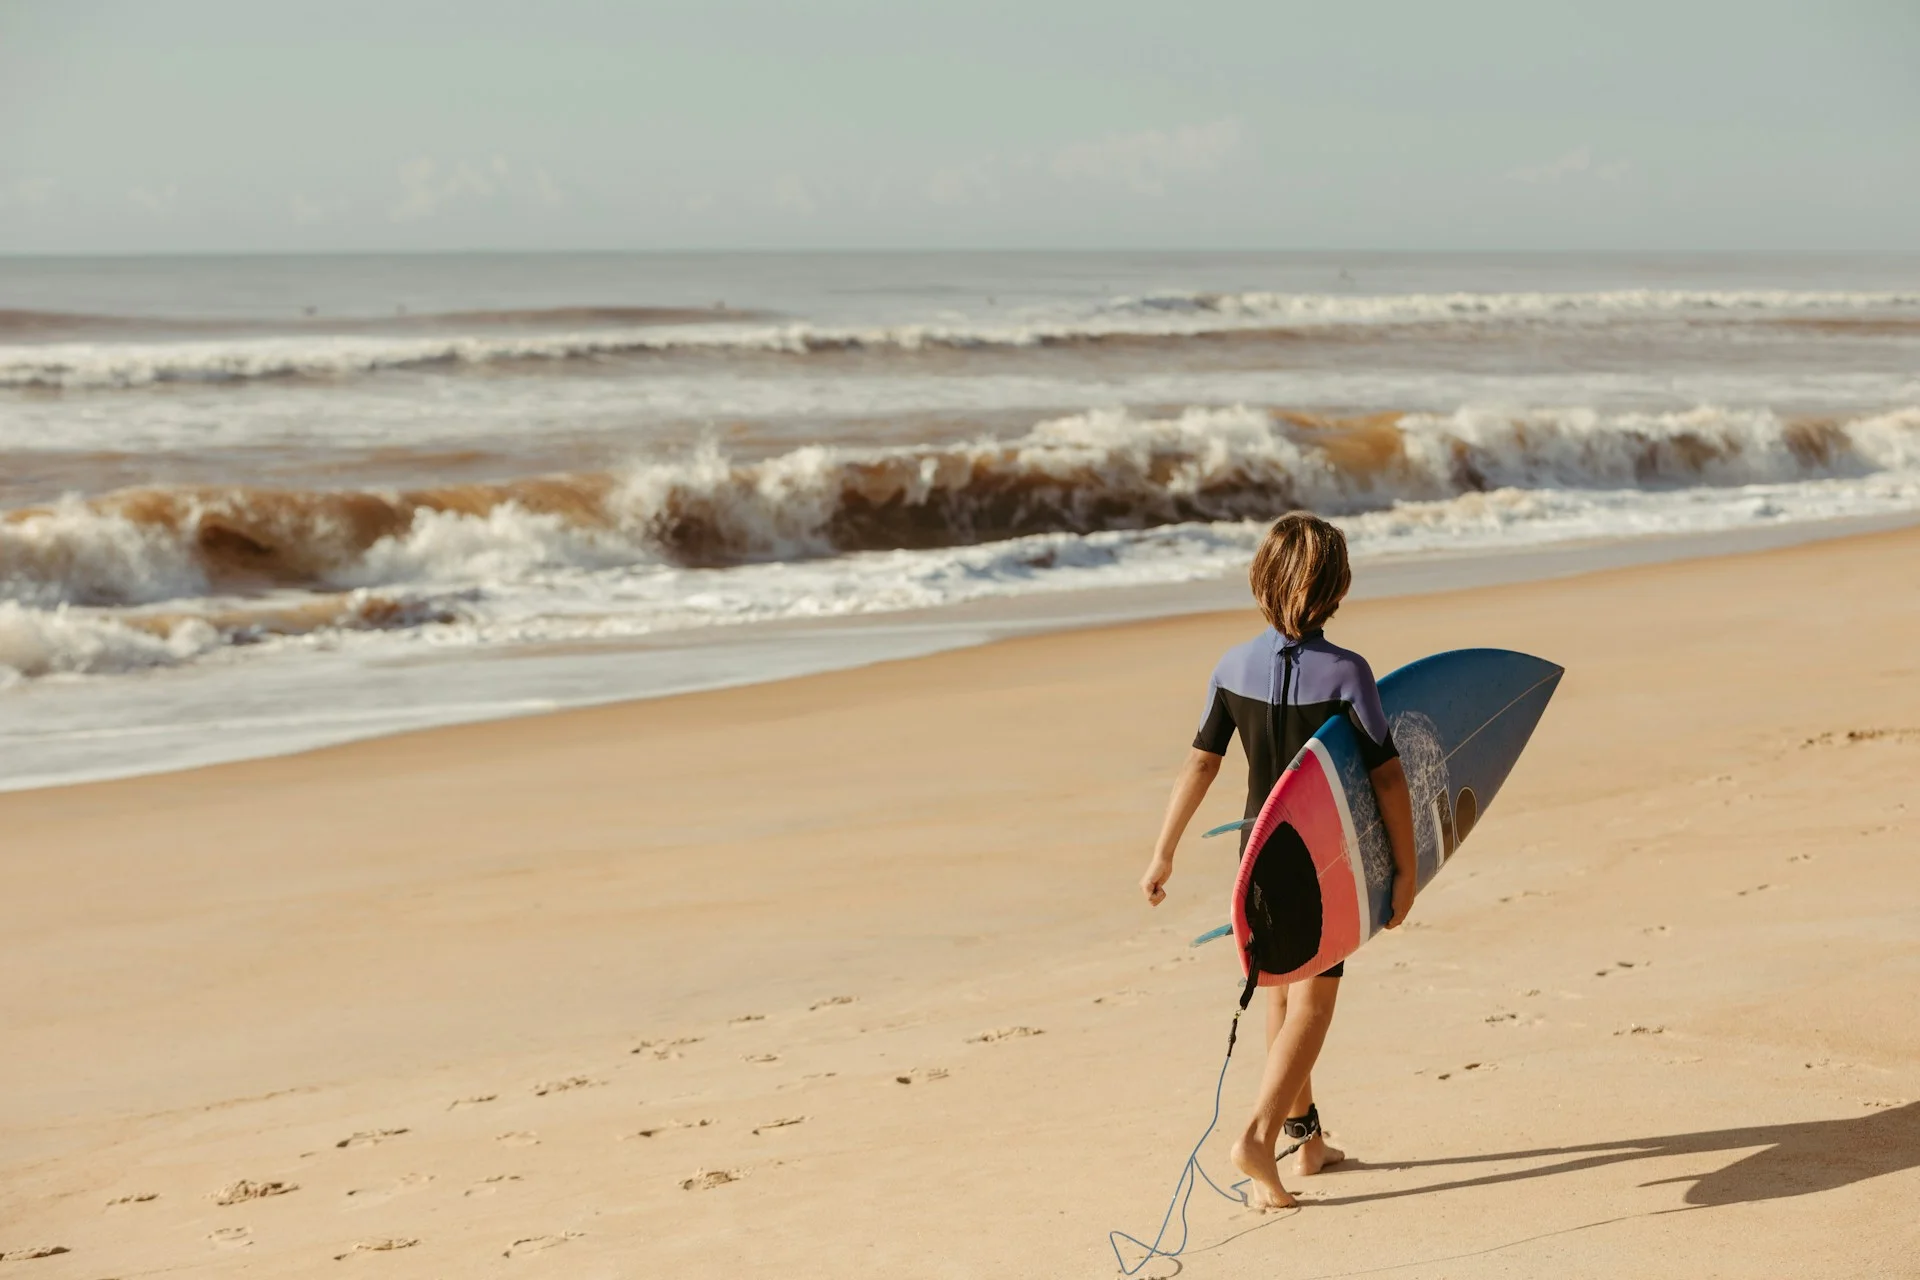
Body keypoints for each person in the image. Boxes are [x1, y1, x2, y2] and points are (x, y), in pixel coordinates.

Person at [1138, 511, 1418, 1211]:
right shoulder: (1348, 672)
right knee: (1315, 1004)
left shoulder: (1231, 666)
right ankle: (1258, 1138)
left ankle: (1306, 1140)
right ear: (1337, 587)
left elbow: (1200, 763)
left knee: (1280, 992)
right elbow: (1387, 778)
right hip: (1320, 861)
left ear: (1261, 581)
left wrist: (1163, 851)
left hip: (1254, 855)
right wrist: (1407, 871)